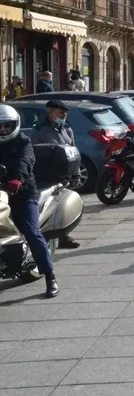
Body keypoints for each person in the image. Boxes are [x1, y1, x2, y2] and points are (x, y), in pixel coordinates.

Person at [0, 105, 57, 297]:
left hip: (22, 195)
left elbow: (25, 162)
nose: (3, 130)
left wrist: (18, 179)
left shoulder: (23, 142)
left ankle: (50, 277)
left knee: (32, 232)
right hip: (1, 195)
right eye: (0, 126)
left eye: (7, 126)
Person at [32, 100, 80, 249]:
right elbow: (33, 152)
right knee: (49, 207)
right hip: (47, 174)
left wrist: (76, 174)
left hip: (65, 174)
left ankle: (64, 236)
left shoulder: (67, 128)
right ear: (51, 112)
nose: (64, 116)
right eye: (61, 113)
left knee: (64, 206)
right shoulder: (40, 129)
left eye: (65, 113)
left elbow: (74, 151)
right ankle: (47, 236)